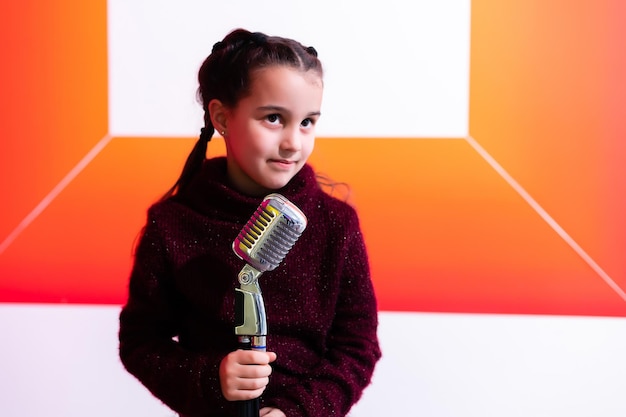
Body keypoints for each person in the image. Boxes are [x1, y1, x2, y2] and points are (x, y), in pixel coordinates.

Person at [118, 28, 381, 417]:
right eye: (274, 118)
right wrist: (212, 379)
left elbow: (357, 347)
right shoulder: (173, 224)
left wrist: (300, 411)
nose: (294, 142)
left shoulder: (336, 224)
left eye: (308, 122)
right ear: (222, 116)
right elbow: (141, 343)